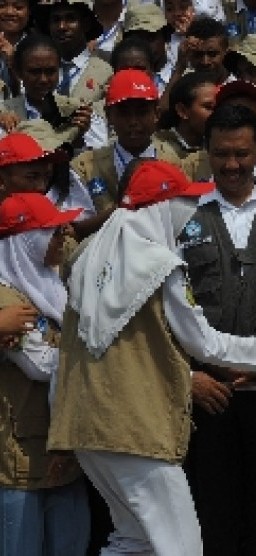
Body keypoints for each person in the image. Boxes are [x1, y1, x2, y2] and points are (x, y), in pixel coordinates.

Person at [48, 159, 256, 556]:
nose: (189, 215)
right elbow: (202, 342)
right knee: (182, 546)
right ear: (160, 207)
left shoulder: (85, 259)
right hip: (135, 429)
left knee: (131, 540)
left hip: (86, 425)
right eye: (182, 204)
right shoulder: (161, 265)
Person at [178, 102, 256, 555]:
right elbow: (168, 306)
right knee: (213, 510)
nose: (232, 165)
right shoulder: (183, 214)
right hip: (210, 393)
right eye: (222, 154)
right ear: (206, 152)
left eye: (242, 154)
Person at [0, 192, 89, 556]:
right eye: (52, 232)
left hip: (63, 447)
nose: (63, 239)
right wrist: (96, 361)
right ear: (27, 240)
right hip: (21, 458)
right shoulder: (7, 298)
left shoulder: (54, 285)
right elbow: (39, 365)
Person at [69, 68, 183, 237]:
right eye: (123, 113)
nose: (133, 122)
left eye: (142, 112)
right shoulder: (85, 166)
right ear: (108, 116)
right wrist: (124, 208)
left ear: (156, 114)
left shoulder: (173, 161)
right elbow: (75, 229)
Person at [34, 0, 111, 103]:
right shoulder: (36, 67)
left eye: (70, 19)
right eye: (56, 20)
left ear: (86, 24)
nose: (62, 27)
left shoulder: (106, 70)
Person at [155, 71, 217, 159]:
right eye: (209, 107)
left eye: (219, 107)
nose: (217, 113)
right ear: (182, 111)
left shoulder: (217, 148)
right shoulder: (157, 152)